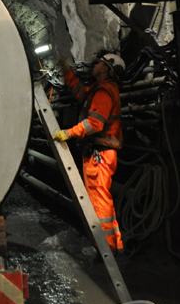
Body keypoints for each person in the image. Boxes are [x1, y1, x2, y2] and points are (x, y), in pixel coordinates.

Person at [52, 53, 125, 252]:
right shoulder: (98, 90)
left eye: (99, 62)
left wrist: (69, 132)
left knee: (98, 203)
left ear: (105, 68)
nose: (95, 64)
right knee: (105, 201)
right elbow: (80, 92)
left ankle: (104, 248)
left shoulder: (104, 92)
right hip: (102, 154)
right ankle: (115, 244)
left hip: (99, 155)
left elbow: (95, 123)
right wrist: (67, 72)